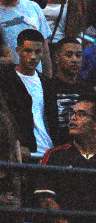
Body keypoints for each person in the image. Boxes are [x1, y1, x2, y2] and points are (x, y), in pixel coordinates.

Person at [0, 28, 60, 159]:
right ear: (18, 51)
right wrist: (15, 144)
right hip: (24, 153)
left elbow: (52, 120)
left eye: (38, 52)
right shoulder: (5, 80)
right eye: (28, 51)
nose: (33, 57)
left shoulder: (47, 84)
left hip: (48, 152)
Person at [35, 93, 96, 223]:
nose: (73, 118)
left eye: (81, 114)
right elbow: (45, 197)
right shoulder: (54, 155)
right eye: (73, 113)